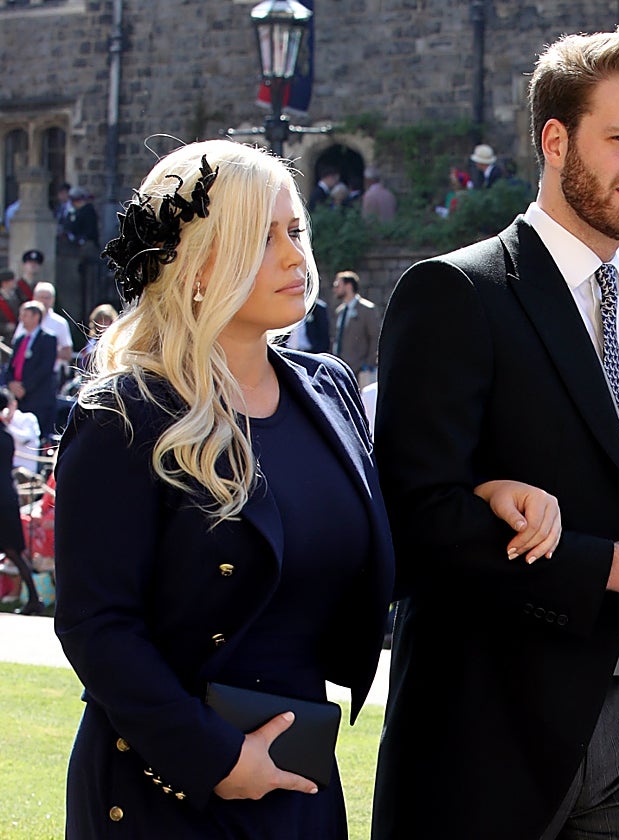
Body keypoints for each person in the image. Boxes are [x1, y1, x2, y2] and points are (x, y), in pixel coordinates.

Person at [371, 26, 619, 840]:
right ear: (555, 140)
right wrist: (613, 570)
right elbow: (415, 524)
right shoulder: (456, 292)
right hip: (484, 734)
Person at [52, 139, 398, 839]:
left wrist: (497, 493)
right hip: (165, 789)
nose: (296, 257)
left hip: (300, 779)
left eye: (295, 230)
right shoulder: (125, 412)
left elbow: (365, 552)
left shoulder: (327, 388)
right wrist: (215, 759)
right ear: (198, 265)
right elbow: (97, 625)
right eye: (262, 238)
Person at [0, 385, 44, 616]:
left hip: (3, 497)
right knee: (14, 552)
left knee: (13, 551)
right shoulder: (6, 436)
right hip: (7, 496)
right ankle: (34, 599)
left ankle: (35, 599)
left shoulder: (7, 434)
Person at [4, 301, 58, 442]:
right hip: (18, 398)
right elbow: (11, 365)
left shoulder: (48, 339)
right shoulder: (20, 339)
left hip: (37, 397)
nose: (22, 318)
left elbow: (45, 368)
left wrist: (25, 387)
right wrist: (11, 383)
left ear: (36, 317)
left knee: (35, 438)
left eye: (25, 315)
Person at [330, 270, 380, 386]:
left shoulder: (367, 309)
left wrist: (368, 364)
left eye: (338, 285)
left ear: (348, 286)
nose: (335, 289)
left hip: (360, 369)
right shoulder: (340, 311)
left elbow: (375, 337)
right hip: (341, 369)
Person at [77, 302, 117, 373]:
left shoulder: (117, 340)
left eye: (106, 320)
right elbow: (85, 362)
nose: (103, 324)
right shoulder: (92, 342)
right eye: (100, 320)